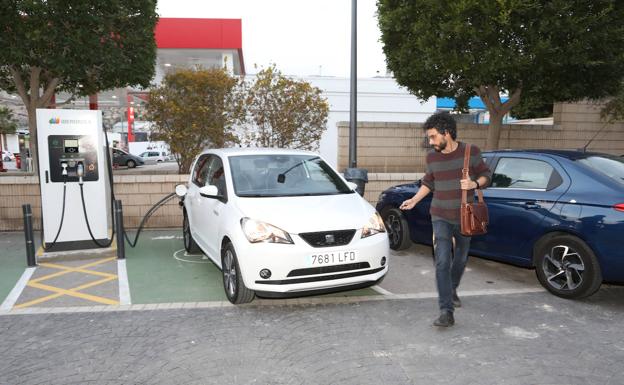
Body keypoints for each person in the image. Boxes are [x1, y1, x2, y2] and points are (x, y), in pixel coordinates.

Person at [400, 112, 491, 327]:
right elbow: (428, 182)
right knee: (442, 262)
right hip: (439, 215)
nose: (430, 141)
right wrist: (413, 200)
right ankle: (446, 311)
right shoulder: (432, 157)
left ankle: (452, 288)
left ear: (446, 133)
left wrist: (474, 184)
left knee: (460, 257)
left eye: (432, 137)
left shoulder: (471, 151)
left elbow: (487, 175)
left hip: (464, 216)